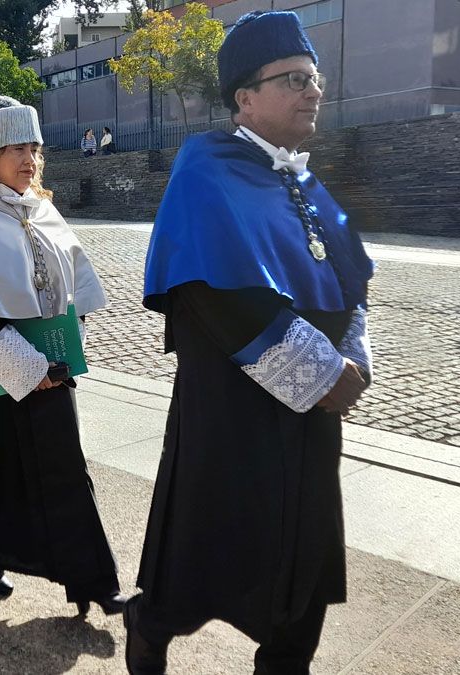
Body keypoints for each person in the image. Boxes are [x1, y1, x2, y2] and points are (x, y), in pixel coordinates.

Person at [125, 11, 375, 674]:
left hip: (313, 417)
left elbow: (349, 277)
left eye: (315, 78)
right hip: (236, 411)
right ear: (245, 98)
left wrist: (356, 355)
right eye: (293, 79)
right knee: (210, 547)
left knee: (304, 564)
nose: (312, 90)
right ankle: (151, 623)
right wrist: (325, 372)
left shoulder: (308, 183)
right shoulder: (205, 173)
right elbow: (217, 294)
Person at [0, 95, 125, 616]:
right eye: (17, 148)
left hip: (51, 372)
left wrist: (65, 342)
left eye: (34, 148)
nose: (29, 159)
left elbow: (73, 283)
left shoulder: (43, 208)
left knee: (65, 469)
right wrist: (23, 368)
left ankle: (94, 582)